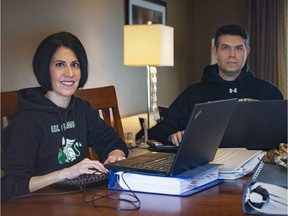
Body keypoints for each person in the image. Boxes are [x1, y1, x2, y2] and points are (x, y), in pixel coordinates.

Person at [1, 32, 129, 202]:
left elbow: (113, 142)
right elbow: (13, 185)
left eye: (75, 65)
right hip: (39, 205)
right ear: (45, 69)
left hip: (79, 200)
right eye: (60, 65)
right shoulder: (27, 119)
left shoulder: (81, 109)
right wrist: (66, 173)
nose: (70, 73)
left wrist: (115, 157)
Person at [148, 24, 283, 146]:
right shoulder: (194, 94)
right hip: (207, 165)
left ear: (247, 52)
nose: (232, 54)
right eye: (225, 48)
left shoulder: (268, 92)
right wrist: (172, 136)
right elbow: (160, 129)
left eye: (238, 48)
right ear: (215, 51)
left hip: (259, 165)